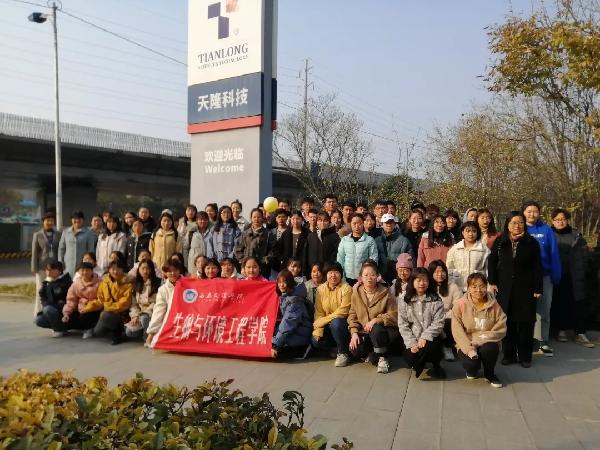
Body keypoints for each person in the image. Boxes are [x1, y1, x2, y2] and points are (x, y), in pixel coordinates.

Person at [488, 211, 543, 368]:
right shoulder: (501, 241)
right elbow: (492, 261)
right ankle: (509, 355)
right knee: (508, 322)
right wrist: (492, 281)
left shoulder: (531, 243)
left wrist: (538, 288)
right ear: (507, 224)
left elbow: (537, 267)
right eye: (513, 222)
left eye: (520, 222)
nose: (517, 226)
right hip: (505, 288)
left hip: (526, 288)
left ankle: (525, 356)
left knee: (525, 323)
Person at [452, 273, 507, 388]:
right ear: (468, 288)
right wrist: (469, 348)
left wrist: (481, 339)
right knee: (471, 364)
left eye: (482, 286)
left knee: (490, 349)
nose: (478, 290)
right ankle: (472, 370)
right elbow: (457, 331)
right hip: (468, 341)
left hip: (487, 340)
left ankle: (490, 374)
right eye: (474, 286)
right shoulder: (460, 305)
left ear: (486, 287)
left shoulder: (494, 305)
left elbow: (501, 326)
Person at [522, 200, 561, 357]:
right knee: (524, 309)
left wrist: (555, 275)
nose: (532, 214)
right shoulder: (519, 227)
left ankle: (543, 340)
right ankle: (525, 340)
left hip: (544, 276)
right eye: (529, 211)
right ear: (523, 212)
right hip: (524, 277)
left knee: (543, 310)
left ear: (539, 213)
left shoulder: (546, 230)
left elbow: (553, 253)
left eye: (535, 211)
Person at [550, 208, 594, 348]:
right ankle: (561, 330)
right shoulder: (549, 234)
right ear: (552, 221)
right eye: (557, 219)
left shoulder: (576, 235)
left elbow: (585, 255)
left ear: (567, 220)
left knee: (578, 304)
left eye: (563, 219)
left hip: (574, 275)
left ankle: (580, 333)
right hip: (557, 275)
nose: (560, 222)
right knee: (559, 303)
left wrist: (583, 268)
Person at [348, 260, 398, 373]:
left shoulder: (386, 292)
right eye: (365, 275)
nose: (369, 278)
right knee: (354, 350)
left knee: (376, 329)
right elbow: (352, 314)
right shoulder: (356, 293)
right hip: (364, 331)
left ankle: (383, 358)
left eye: (372, 275)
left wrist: (376, 320)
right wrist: (354, 332)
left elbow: (393, 314)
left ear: (377, 276)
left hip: (383, 331)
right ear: (361, 278)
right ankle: (373, 353)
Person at [398, 267, 446, 379]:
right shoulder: (405, 299)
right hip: (413, 336)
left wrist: (425, 337)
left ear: (429, 282)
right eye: (418, 280)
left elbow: (438, 323)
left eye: (425, 280)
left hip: (431, 338)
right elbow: (402, 324)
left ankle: (436, 365)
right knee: (411, 359)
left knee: (432, 348)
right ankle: (419, 361)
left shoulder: (436, 299)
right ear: (412, 281)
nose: (421, 283)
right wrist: (412, 343)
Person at [312, 261, 352, 366]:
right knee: (315, 341)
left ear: (341, 274)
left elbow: (343, 311)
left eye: (336, 272)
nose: (333, 275)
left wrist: (322, 321)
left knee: (336, 323)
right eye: (330, 272)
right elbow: (319, 312)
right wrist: (318, 330)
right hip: (327, 325)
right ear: (325, 274)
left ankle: (343, 353)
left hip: (343, 325)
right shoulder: (320, 289)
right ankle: (337, 349)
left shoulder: (347, 288)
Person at [87, 261, 132, 345]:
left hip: (122, 314)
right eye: (113, 269)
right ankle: (115, 331)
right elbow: (100, 300)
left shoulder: (127, 283)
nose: (115, 271)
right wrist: (87, 307)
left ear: (122, 270)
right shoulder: (104, 282)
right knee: (97, 332)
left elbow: (125, 303)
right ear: (109, 270)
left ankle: (118, 334)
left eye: (118, 269)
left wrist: (109, 307)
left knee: (105, 315)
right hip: (108, 312)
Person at [271, 270, 313, 358]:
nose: (281, 285)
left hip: (301, 332)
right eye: (279, 282)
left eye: (284, 282)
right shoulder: (285, 296)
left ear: (290, 282)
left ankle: (303, 349)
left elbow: (288, 322)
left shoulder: (295, 300)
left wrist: (276, 344)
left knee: (276, 352)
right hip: (295, 330)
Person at [428, 260, 462, 361]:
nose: (440, 274)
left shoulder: (452, 286)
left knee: (449, 322)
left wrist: (443, 317)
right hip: (429, 317)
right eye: (436, 272)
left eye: (442, 271)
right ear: (431, 273)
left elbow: (458, 305)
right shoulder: (427, 286)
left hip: (446, 316)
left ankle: (447, 347)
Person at [146, 260, 184, 347]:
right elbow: (159, 311)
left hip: (186, 320)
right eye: (169, 271)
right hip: (171, 320)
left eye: (175, 270)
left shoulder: (189, 284)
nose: (173, 273)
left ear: (179, 270)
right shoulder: (163, 290)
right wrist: (151, 333)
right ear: (165, 273)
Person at [31, 211, 61, 316]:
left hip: (55, 267)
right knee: (41, 289)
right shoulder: (37, 235)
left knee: (54, 290)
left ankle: (52, 311)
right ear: (43, 222)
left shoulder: (59, 234)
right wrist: (34, 268)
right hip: (42, 267)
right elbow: (34, 252)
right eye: (47, 220)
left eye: (52, 220)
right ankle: (39, 311)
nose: (50, 222)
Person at [445, 221, 490, 292]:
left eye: (474, 231)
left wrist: (487, 287)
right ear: (463, 232)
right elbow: (449, 268)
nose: (470, 234)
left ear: (477, 233)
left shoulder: (484, 250)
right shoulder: (454, 249)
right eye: (467, 231)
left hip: (477, 289)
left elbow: (487, 270)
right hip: (458, 288)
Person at [62, 261, 102, 339]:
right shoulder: (76, 284)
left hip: (96, 308)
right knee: (70, 317)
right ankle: (83, 327)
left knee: (85, 316)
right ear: (79, 272)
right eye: (82, 270)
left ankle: (89, 329)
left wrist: (89, 307)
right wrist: (66, 313)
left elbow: (102, 299)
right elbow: (71, 300)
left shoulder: (100, 282)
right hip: (81, 308)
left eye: (87, 270)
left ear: (92, 271)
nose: (84, 272)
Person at [337, 213, 378, 286]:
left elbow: (373, 260)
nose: (357, 226)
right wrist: (342, 276)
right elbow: (340, 259)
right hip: (347, 278)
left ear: (363, 223)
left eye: (359, 223)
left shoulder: (369, 240)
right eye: (354, 223)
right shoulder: (345, 240)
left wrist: (366, 276)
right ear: (350, 224)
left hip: (363, 279)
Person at [35, 259, 72, 337]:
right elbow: (43, 296)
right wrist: (47, 305)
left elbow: (69, 298)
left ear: (59, 271)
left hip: (65, 311)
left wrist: (57, 305)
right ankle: (61, 328)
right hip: (52, 309)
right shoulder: (47, 282)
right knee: (39, 320)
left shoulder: (66, 281)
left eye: (51, 269)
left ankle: (58, 330)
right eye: (47, 270)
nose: (48, 272)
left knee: (48, 310)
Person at [235, 207, 276, 278]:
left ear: (262, 218)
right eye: (254, 217)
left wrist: (266, 259)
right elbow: (238, 250)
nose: (256, 219)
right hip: (247, 268)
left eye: (259, 217)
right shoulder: (245, 233)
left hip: (263, 269)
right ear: (251, 218)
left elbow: (273, 250)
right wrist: (243, 263)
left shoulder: (268, 233)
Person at [125, 259, 160, 340]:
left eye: (148, 268)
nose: (145, 271)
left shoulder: (158, 283)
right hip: (139, 314)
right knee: (129, 332)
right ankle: (146, 330)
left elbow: (157, 302)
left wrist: (142, 314)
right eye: (143, 268)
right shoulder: (135, 284)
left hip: (152, 313)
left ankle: (147, 338)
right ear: (139, 270)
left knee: (145, 318)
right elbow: (133, 304)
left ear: (151, 270)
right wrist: (135, 316)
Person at [376, 213, 413, 284]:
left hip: (399, 277)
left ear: (394, 224)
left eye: (391, 222)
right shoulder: (376, 241)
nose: (389, 224)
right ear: (382, 225)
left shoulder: (404, 240)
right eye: (386, 223)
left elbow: (411, 260)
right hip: (380, 277)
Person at [58, 211, 96, 278]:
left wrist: (88, 264)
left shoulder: (89, 233)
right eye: (75, 218)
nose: (77, 220)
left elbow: (91, 250)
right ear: (71, 220)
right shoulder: (66, 232)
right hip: (67, 265)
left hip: (82, 266)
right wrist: (60, 262)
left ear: (83, 220)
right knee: (68, 282)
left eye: (79, 218)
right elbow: (61, 248)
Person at [304, 211, 340, 276]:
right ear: (316, 222)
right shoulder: (311, 236)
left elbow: (336, 255)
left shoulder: (335, 236)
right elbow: (306, 255)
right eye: (320, 220)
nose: (322, 223)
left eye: (325, 220)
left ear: (329, 222)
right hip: (314, 272)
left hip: (328, 272)